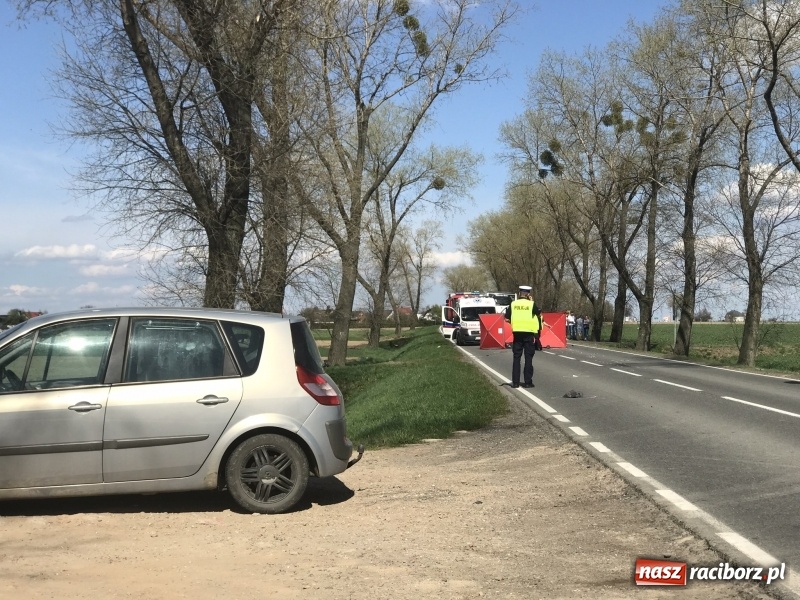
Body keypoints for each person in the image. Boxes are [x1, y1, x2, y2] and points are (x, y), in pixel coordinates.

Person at [509, 285, 542, 389]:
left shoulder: (513, 304)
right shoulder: (531, 304)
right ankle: (527, 382)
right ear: (528, 294)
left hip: (517, 333)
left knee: (516, 358)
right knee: (528, 358)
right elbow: (538, 314)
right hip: (529, 334)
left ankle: (515, 383)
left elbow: (506, 318)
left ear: (519, 294)